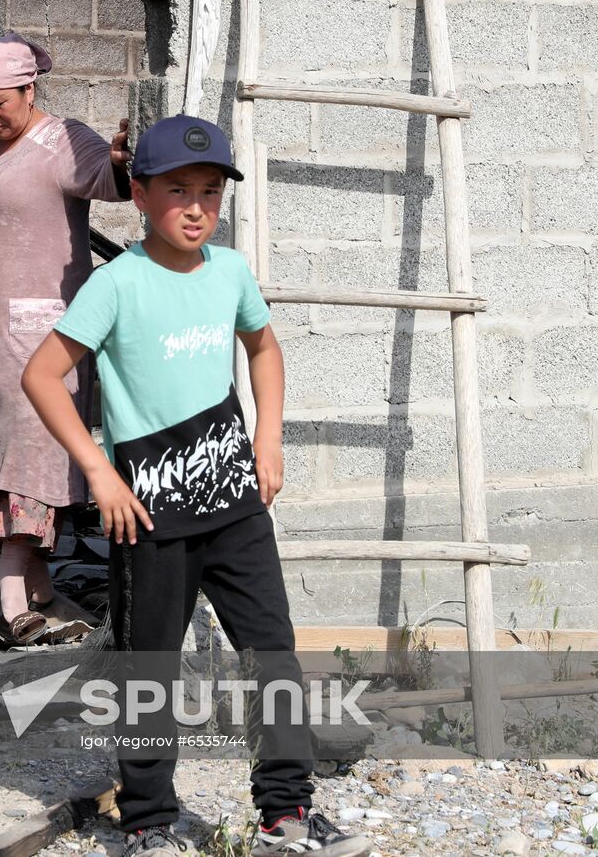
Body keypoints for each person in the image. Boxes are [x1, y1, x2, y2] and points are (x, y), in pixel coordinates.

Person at [21, 115, 369, 856]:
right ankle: (148, 820)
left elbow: (265, 350)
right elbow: (41, 377)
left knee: (271, 654)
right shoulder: (114, 285)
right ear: (139, 194)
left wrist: (268, 440)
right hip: (147, 518)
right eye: (177, 190)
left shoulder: (232, 273)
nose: (195, 207)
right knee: (150, 674)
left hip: (237, 509)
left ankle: (286, 813)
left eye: (210, 192)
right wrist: (98, 472)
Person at [0, 32, 131, 645]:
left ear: (30, 89)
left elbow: (113, 180)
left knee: (31, 456)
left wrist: (126, 159)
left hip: (41, 339)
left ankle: (10, 588)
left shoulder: (64, 139)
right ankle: (42, 581)